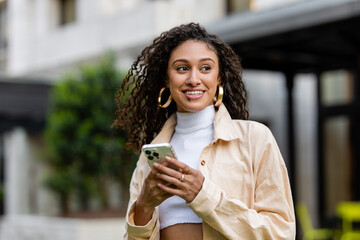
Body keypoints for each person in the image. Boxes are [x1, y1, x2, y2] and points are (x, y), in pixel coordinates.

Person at [113, 22, 295, 240]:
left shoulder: (255, 138)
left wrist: (203, 196)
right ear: (166, 78)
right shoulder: (149, 157)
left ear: (219, 77)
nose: (193, 79)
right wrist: (143, 207)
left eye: (205, 68)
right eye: (182, 68)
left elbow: (281, 233)